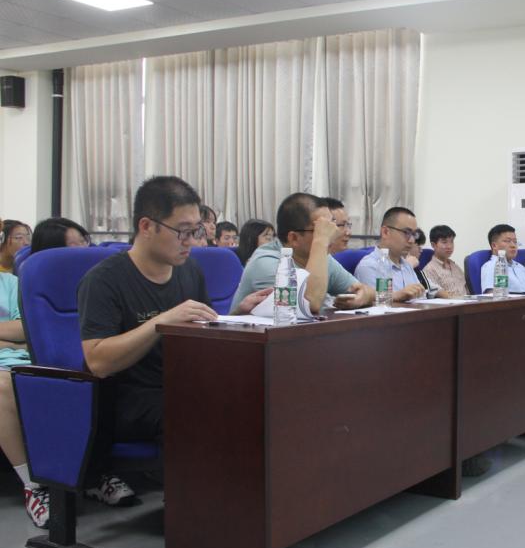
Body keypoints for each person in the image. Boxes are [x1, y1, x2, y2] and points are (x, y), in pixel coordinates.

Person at [80, 177, 270, 447]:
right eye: (182, 232)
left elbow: (201, 335)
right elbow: (98, 362)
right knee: (200, 414)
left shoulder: (189, 271)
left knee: (258, 398)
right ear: (146, 226)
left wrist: (240, 314)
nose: (191, 242)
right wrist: (163, 321)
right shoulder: (103, 280)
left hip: (180, 384)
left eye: (196, 231)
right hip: (128, 398)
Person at [231, 193, 374, 314]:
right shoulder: (266, 262)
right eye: (322, 230)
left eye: (331, 227)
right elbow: (309, 303)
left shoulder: (321, 257)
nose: (333, 235)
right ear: (293, 238)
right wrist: (321, 241)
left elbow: (363, 290)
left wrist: (362, 297)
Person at [354, 208, 430, 302]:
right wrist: (399, 296)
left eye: (414, 235)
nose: (412, 240)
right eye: (406, 233)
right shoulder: (369, 267)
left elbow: (421, 300)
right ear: (385, 232)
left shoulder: (407, 266)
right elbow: (378, 305)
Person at [480, 224, 525, 294]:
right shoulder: (491, 267)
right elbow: (492, 296)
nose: (513, 245)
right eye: (507, 241)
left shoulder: (520, 267)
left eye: (515, 242)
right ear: (494, 245)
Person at [422, 225, 469, 297]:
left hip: (467, 302)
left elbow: (467, 292)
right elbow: (434, 297)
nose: (449, 246)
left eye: (452, 242)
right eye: (444, 242)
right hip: (450, 303)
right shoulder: (429, 269)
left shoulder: (455, 267)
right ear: (433, 245)